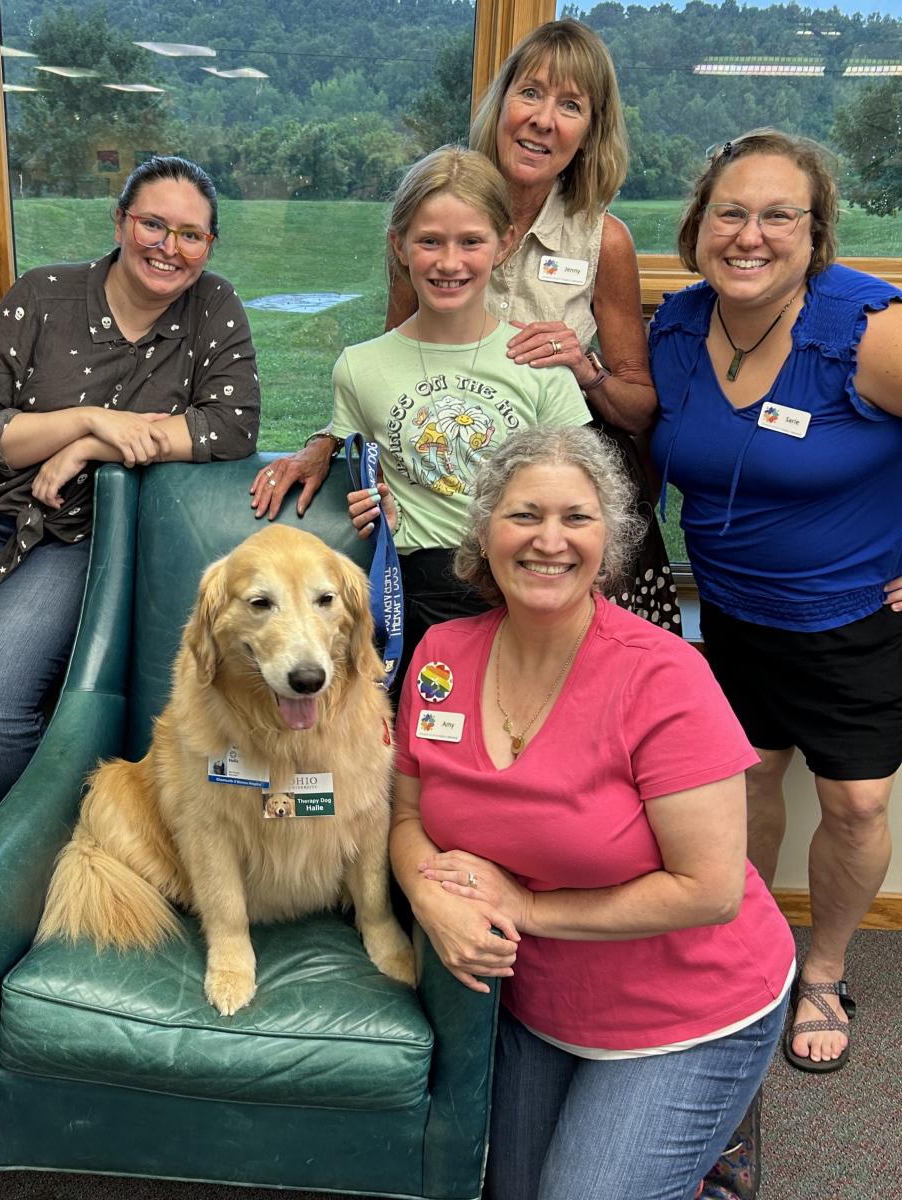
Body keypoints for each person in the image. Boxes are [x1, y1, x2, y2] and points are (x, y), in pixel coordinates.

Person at [0, 155, 260, 996]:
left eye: (190, 234)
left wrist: (86, 447)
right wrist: (89, 418)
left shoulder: (213, 308)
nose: (169, 246)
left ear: (208, 245)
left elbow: (229, 427)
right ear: (120, 223)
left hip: (75, 534)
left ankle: (22, 897)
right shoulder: (44, 293)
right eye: (153, 223)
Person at [390, 425, 795, 1198]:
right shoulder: (440, 655)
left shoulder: (664, 677)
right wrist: (426, 892)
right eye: (524, 515)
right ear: (484, 533)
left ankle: (717, 1152)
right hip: (541, 1001)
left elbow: (710, 890)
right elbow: (406, 814)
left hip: (690, 1002)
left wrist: (525, 908)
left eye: (577, 518)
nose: (550, 540)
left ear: (608, 540)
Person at [253, 20, 679, 633]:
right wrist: (331, 444)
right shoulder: (436, 208)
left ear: (590, 131)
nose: (542, 119)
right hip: (443, 519)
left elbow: (638, 410)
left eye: (570, 106)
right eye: (530, 93)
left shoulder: (602, 240)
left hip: (561, 483)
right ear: (501, 101)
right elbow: (391, 367)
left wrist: (584, 371)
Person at [650, 130, 902, 1073]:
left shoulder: (865, 329)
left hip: (852, 622)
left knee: (856, 804)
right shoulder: (677, 329)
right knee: (748, 779)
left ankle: (825, 971)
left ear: (815, 232)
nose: (749, 235)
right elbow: (648, 428)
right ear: (700, 225)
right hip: (729, 615)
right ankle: (743, 946)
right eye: (730, 213)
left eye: (777, 215)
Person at [268, 146, 591, 687]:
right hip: (416, 601)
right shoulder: (361, 366)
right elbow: (345, 446)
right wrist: (329, 458)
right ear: (399, 245)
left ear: (504, 243)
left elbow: (585, 494)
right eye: (429, 241)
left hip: (523, 591)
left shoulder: (538, 364)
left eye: (471, 241)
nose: (449, 262)